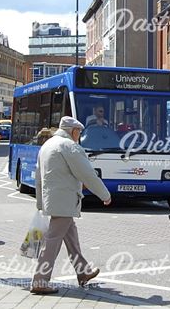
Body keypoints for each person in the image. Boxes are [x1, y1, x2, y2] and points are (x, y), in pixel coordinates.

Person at [30, 117, 111, 295]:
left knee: (71, 239)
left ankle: (83, 272)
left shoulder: (48, 145)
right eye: (79, 132)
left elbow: (38, 177)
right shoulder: (69, 146)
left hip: (54, 201)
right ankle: (40, 280)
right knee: (52, 241)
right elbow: (87, 174)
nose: (79, 136)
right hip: (65, 200)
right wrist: (104, 194)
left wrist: (40, 202)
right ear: (73, 131)